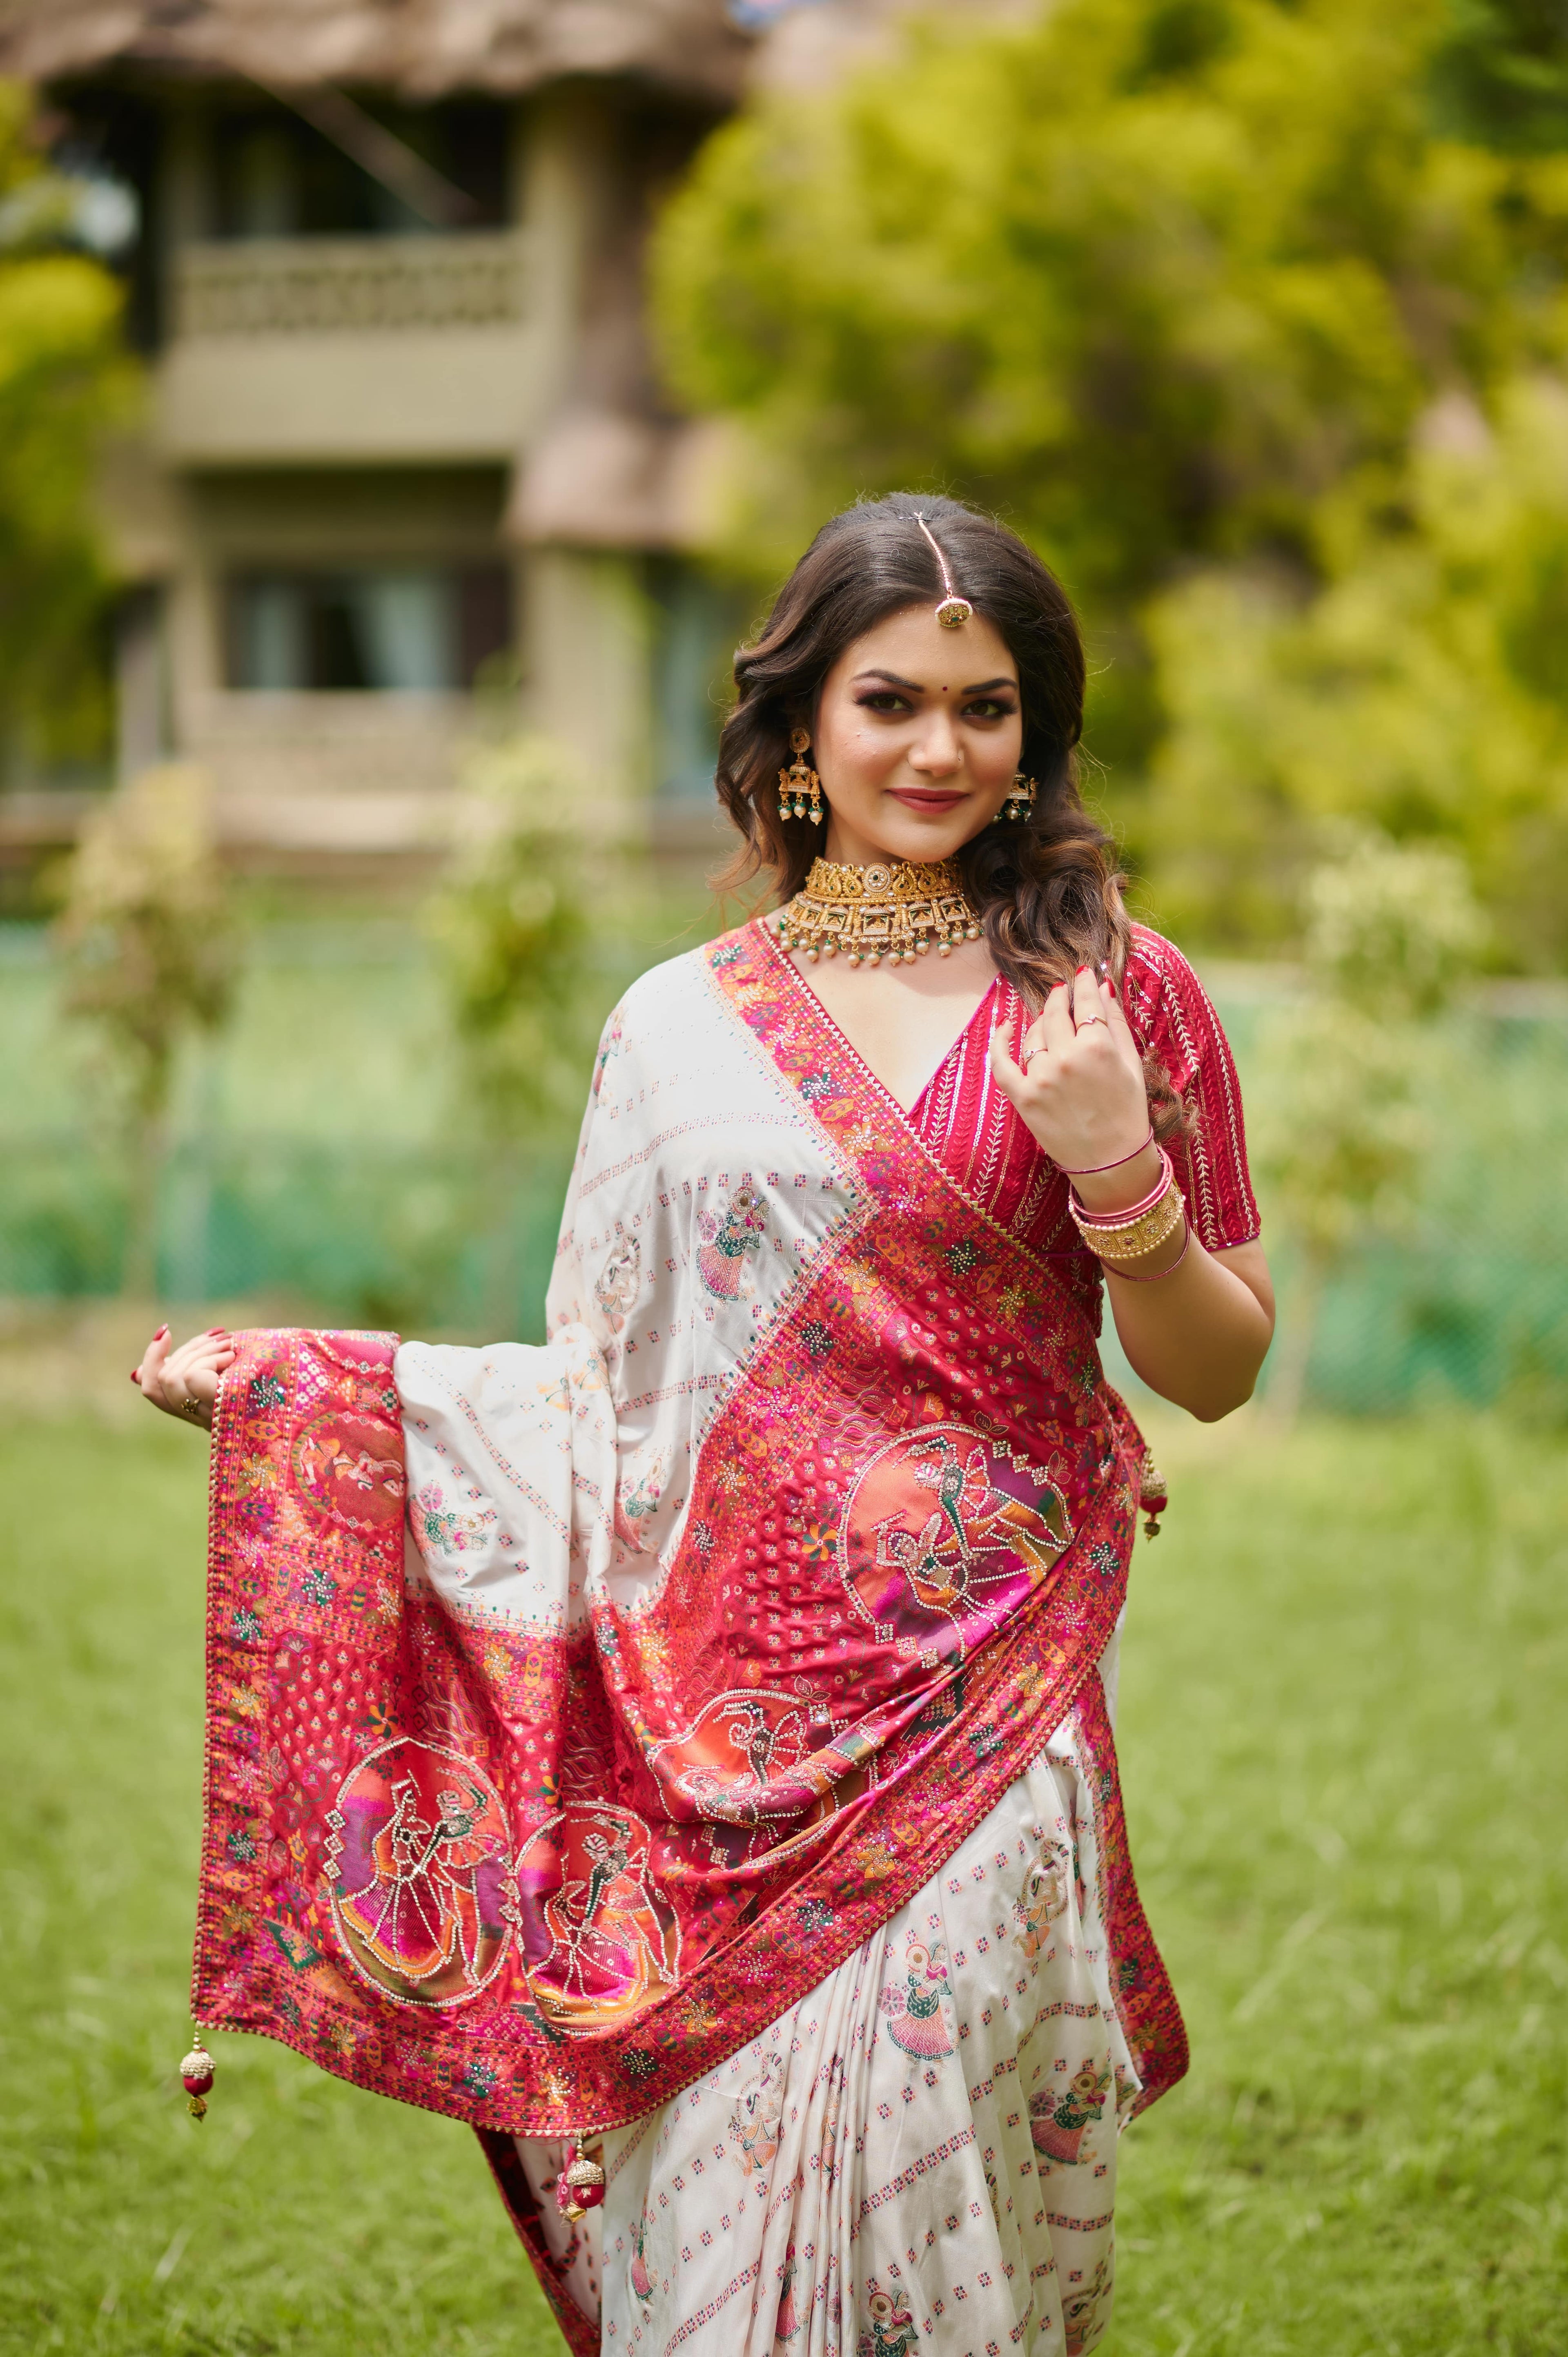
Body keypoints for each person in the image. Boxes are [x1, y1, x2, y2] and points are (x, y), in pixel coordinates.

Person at [137, 495, 1273, 2357]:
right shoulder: (678, 1027)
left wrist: (1116, 1168)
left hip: (986, 1723)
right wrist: (307, 1397)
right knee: (734, 2219)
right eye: (890, 699)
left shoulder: (1110, 996)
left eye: (987, 708)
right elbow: (599, 1405)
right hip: (708, 1736)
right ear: (802, 729)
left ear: (1036, 733)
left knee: (928, 2187)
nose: (939, 748)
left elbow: (1215, 1366)